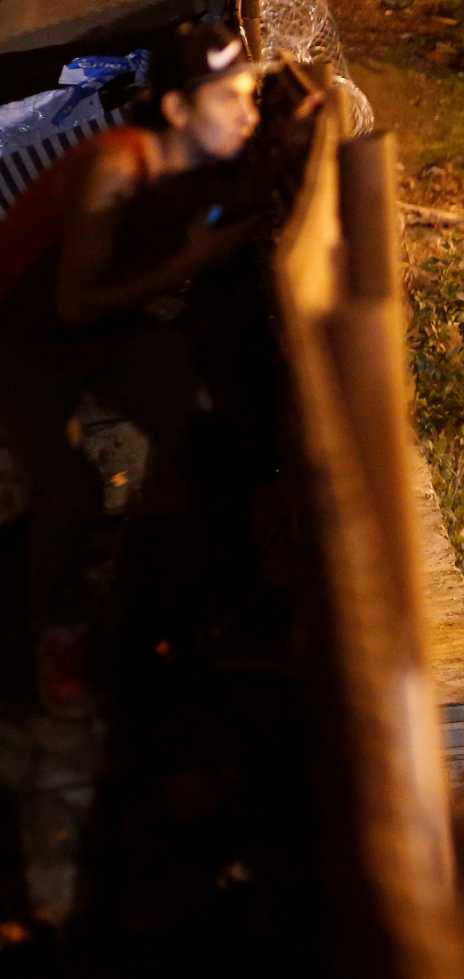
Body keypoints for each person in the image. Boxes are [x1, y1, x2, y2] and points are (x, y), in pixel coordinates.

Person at [0, 22, 261, 715]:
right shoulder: (118, 165)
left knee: (187, 404)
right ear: (178, 111)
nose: (248, 114)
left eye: (253, 96)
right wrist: (186, 264)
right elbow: (75, 304)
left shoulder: (201, 162)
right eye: (230, 99)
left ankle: (168, 587)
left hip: (93, 322)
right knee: (70, 489)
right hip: (21, 333)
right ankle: (52, 637)